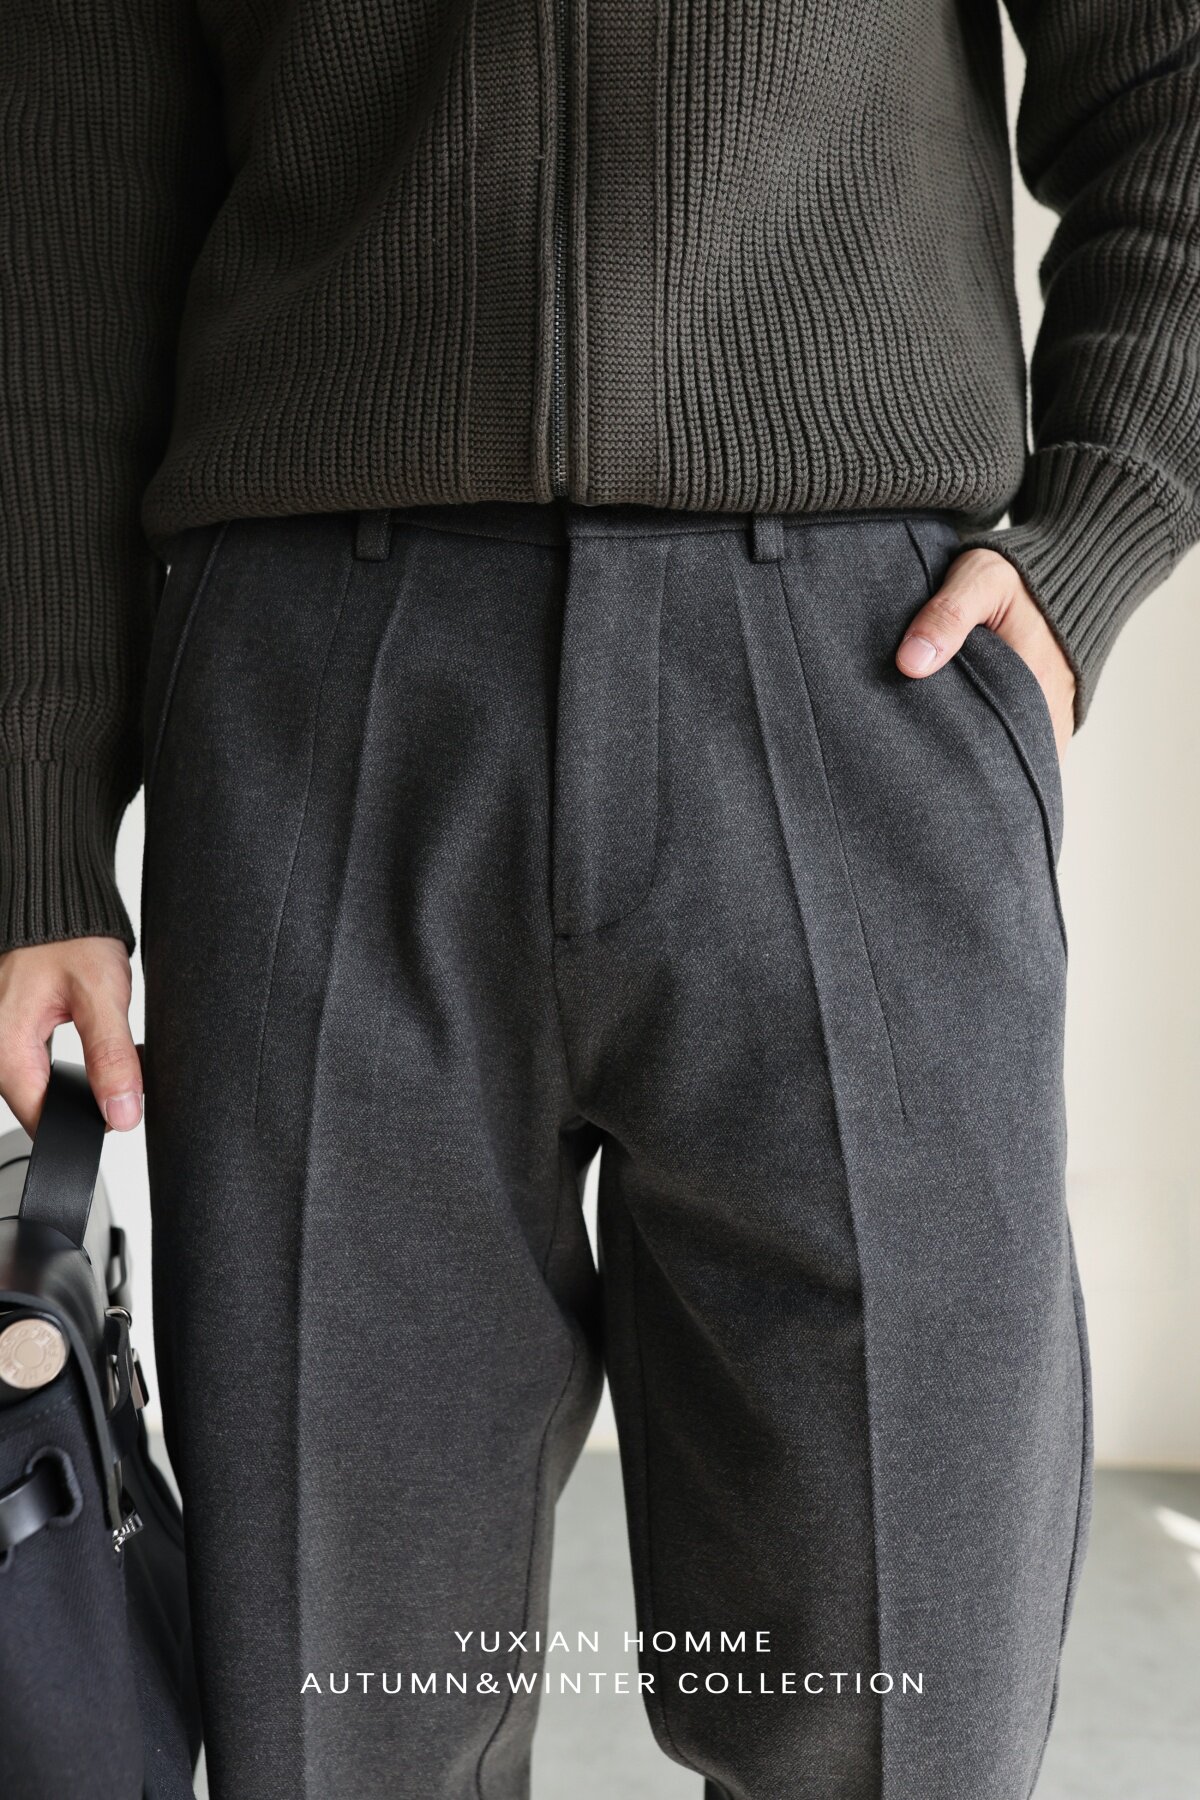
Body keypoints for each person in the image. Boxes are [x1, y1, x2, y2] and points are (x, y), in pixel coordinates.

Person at [0, 4, 1195, 1797]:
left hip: (862, 676)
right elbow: (58, 194)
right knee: (347, 1716)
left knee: (898, 1714)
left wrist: (1103, 521)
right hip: (320, 692)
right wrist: (31, 804)